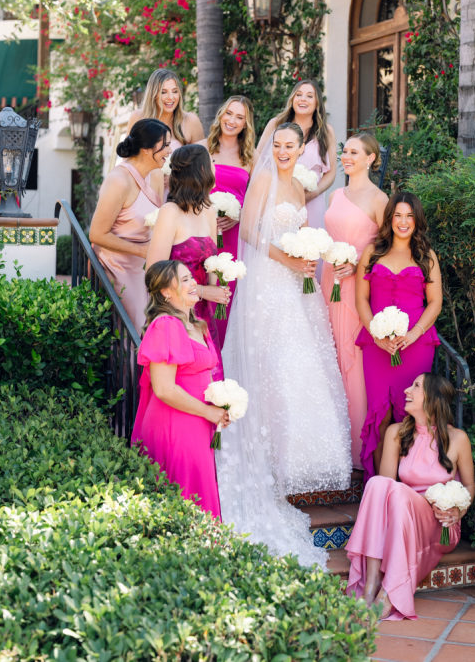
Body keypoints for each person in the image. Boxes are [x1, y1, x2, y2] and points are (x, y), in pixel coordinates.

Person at [217, 122, 352, 567]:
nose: (282, 151)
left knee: (301, 366)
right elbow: (249, 233)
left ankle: (296, 460)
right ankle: (268, 458)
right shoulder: (263, 181)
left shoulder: (300, 186)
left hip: (298, 286)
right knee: (272, 364)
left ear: (300, 149)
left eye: (290, 145)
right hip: (269, 282)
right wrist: (287, 259)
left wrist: (307, 260)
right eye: (277, 145)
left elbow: (305, 229)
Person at [346, 373, 475, 620]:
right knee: (378, 484)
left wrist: (458, 511)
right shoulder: (396, 432)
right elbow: (383, 491)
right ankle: (371, 584)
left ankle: (388, 593)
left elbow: (469, 486)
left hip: (438, 524)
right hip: (403, 516)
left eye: (416, 386)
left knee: (395, 492)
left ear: (433, 398)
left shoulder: (458, 439)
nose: (407, 390)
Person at [131, 260, 230, 518]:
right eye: (184, 280)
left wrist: (220, 406)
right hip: (175, 424)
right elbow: (164, 389)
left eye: (191, 277)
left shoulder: (197, 325)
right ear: (166, 292)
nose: (193, 283)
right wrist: (207, 412)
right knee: (186, 499)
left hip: (198, 423)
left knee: (199, 497)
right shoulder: (166, 325)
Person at [355, 192, 442, 482]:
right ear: (390, 218)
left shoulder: (426, 256)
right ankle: (381, 486)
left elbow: (435, 303)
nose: (403, 222)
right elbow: (361, 300)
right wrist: (376, 335)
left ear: (417, 221)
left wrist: (415, 333)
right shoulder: (372, 252)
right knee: (379, 415)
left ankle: (408, 484)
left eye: (409, 216)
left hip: (416, 345)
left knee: (410, 415)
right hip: (377, 346)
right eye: (398, 216)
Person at [321, 133, 388, 467]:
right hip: (328, 280)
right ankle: (329, 447)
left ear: (370, 159)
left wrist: (359, 262)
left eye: (353, 152)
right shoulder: (335, 195)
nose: (346, 157)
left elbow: (389, 247)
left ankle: (356, 452)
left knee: (351, 358)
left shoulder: (380, 199)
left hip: (355, 285)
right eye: (344, 151)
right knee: (327, 353)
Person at [146, 145, 230, 379]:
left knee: (210, 383)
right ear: (201, 170)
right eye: (212, 163)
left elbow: (211, 263)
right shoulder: (170, 212)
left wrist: (218, 284)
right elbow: (154, 272)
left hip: (203, 316)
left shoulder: (209, 211)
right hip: (176, 314)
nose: (215, 168)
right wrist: (202, 291)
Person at [90, 118, 169, 334]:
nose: (169, 150)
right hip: (117, 266)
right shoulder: (119, 180)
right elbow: (96, 234)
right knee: (135, 327)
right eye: (165, 145)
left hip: (145, 266)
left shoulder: (156, 176)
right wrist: (141, 250)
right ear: (147, 149)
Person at [198, 95, 255, 343]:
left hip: (233, 238)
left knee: (227, 297)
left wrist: (239, 215)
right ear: (221, 114)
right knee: (201, 291)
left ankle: (221, 354)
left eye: (239, 117)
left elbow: (258, 199)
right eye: (229, 114)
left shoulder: (250, 157)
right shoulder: (202, 148)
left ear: (245, 124)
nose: (232, 121)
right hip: (202, 231)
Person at [256, 80, 337, 230]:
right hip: (278, 200)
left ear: (317, 102)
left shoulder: (326, 131)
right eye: (298, 94)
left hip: (312, 201)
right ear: (292, 99)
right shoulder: (276, 124)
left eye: (309, 96)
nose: (303, 99)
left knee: (309, 241)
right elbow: (258, 160)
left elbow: (331, 173)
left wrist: (310, 195)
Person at [127, 68, 204, 199]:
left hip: (178, 197)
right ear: (153, 94)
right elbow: (128, 160)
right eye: (164, 92)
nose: (170, 97)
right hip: (142, 194)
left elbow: (202, 166)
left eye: (175, 91)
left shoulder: (191, 121)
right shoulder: (138, 118)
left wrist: (176, 177)